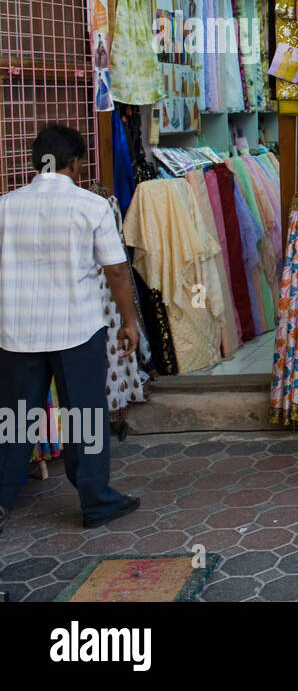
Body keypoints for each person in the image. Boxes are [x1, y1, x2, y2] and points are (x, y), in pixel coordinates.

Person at [0, 125, 141, 536]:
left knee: (15, 418)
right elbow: (116, 270)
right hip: (76, 329)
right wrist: (129, 322)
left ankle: (2, 499)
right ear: (76, 163)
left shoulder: (5, 206)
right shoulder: (90, 207)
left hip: (16, 331)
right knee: (84, 417)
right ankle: (95, 501)